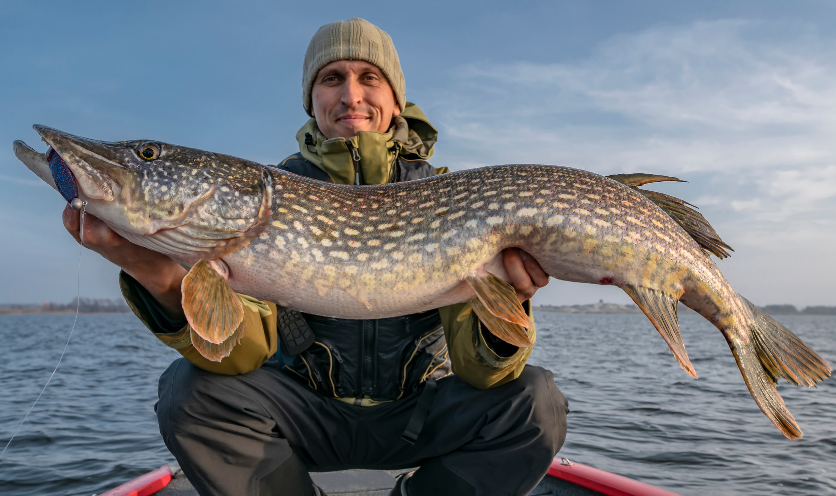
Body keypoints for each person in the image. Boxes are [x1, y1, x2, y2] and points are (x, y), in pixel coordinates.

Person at [63, 18, 569, 496]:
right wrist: (154, 272)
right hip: (305, 414)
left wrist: (509, 300)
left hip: (419, 414)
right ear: (312, 100)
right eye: (331, 78)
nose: (351, 94)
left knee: (534, 401)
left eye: (369, 77)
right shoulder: (270, 198)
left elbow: (484, 376)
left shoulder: (450, 199)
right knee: (189, 393)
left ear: (396, 100)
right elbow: (239, 355)